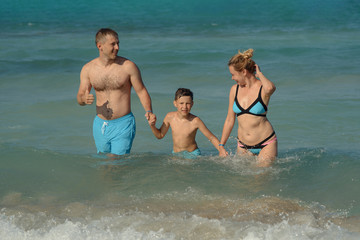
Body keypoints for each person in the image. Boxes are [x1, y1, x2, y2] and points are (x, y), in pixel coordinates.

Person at [77, 28, 155, 156]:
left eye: (118, 43)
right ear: (100, 46)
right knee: (104, 162)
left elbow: (141, 91)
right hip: (100, 125)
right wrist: (83, 99)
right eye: (113, 44)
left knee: (116, 162)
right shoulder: (88, 69)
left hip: (123, 124)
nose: (117, 47)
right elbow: (80, 97)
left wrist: (149, 111)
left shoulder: (128, 66)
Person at [219, 49, 277, 167]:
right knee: (243, 182)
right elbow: (230, 119)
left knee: (259, 181)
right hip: (243, 146)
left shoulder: (262, 88)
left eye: (233, 74)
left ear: (244, 72)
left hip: (265, 144)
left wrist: (259, 74)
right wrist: (221, 145)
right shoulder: (234, 90)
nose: (232, 78)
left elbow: (271, 88)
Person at [148, 88, 226, 159]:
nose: (184, 107)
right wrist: (152, 126)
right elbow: (160, 135)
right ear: (175, 103)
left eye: (188, 103)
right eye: (181, 103)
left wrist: (221, 149)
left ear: (192, 104)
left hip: (193, 155)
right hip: (176, 154)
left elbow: (211, 138)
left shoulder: (195, 121)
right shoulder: (170, 117)